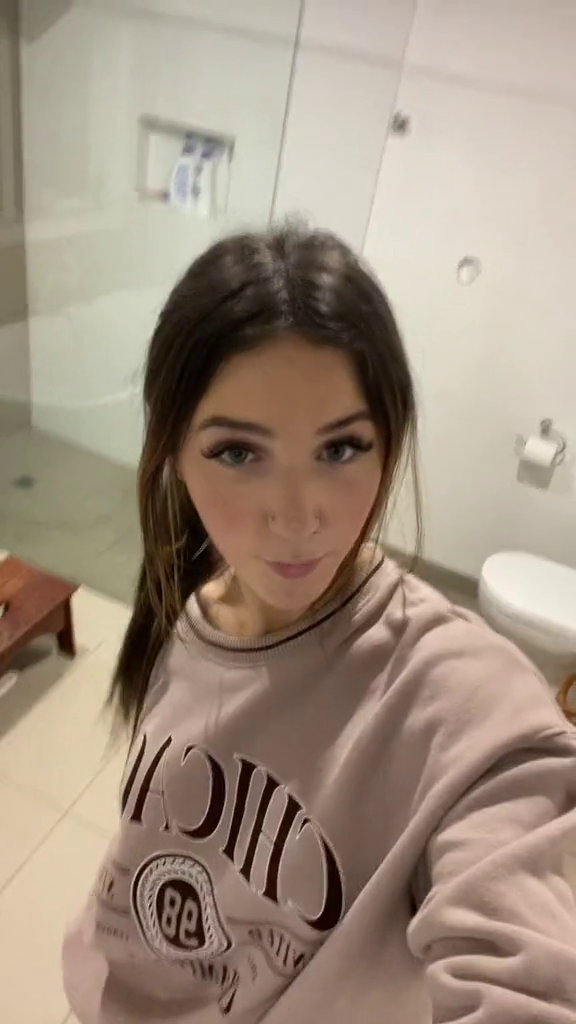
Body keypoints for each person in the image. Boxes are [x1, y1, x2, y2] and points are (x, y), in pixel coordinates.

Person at [63, 225, 576, 1023]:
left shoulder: (464, 701)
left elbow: (523, 968)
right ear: (173, 455)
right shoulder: (190, 609)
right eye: (238, 453)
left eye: (340, 449)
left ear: (388, 445)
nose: (298, 518)